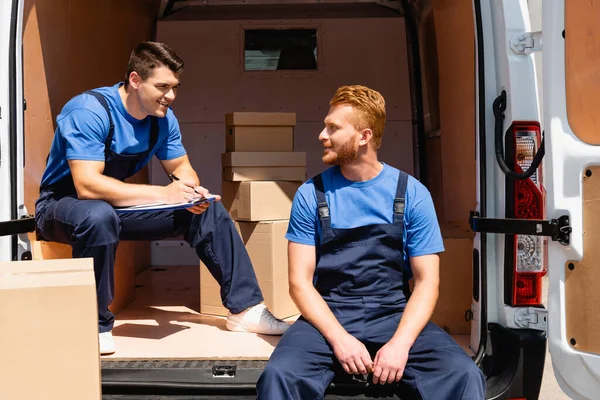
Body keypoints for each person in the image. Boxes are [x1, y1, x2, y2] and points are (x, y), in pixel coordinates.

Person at [34, 41, 289, 356]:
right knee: (98, 215)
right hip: (61, 208)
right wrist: (164, 193)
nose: (171, 95)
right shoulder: (89, 111)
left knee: (207, 210)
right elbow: (87, 186)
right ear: (135, 80)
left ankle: (245, 310)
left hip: (114, 208)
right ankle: (95, 324)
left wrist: (190, 195)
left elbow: (183, 170)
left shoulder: (163, 119)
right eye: (163, 87)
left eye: (175, 87)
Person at [256, 85, 485, 399]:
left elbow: (427, 282)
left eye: (333, 128)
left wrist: (400, 345)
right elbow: (299, 282)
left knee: (462, 374)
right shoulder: (311, 194)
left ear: (363, 136)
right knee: (280, 376)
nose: (322, 135)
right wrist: (340, 339)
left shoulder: (412, 193)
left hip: (392, 312)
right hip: (328, 314)